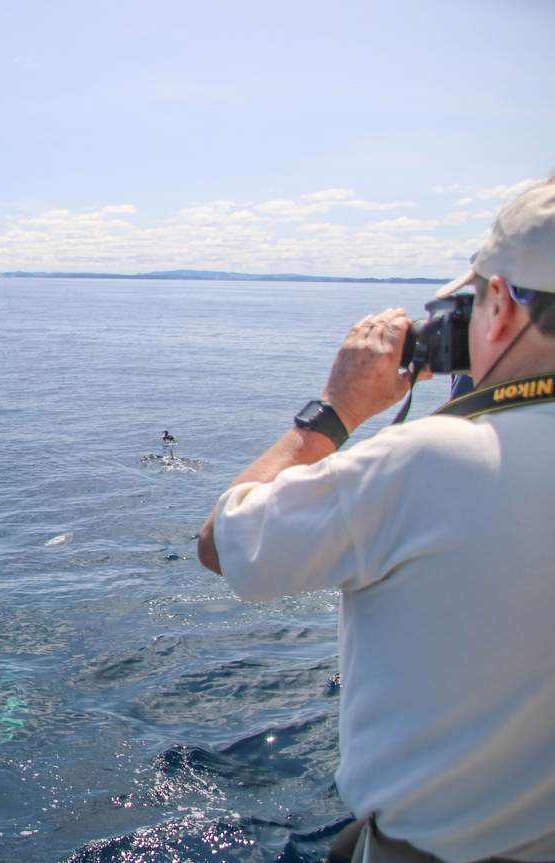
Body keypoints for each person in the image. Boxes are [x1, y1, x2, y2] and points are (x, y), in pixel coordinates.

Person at [196, 179, 555, 863]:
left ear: (501, 306)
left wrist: (335, 407)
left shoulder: (428, 461)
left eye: (471, 302)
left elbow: (224, 542)